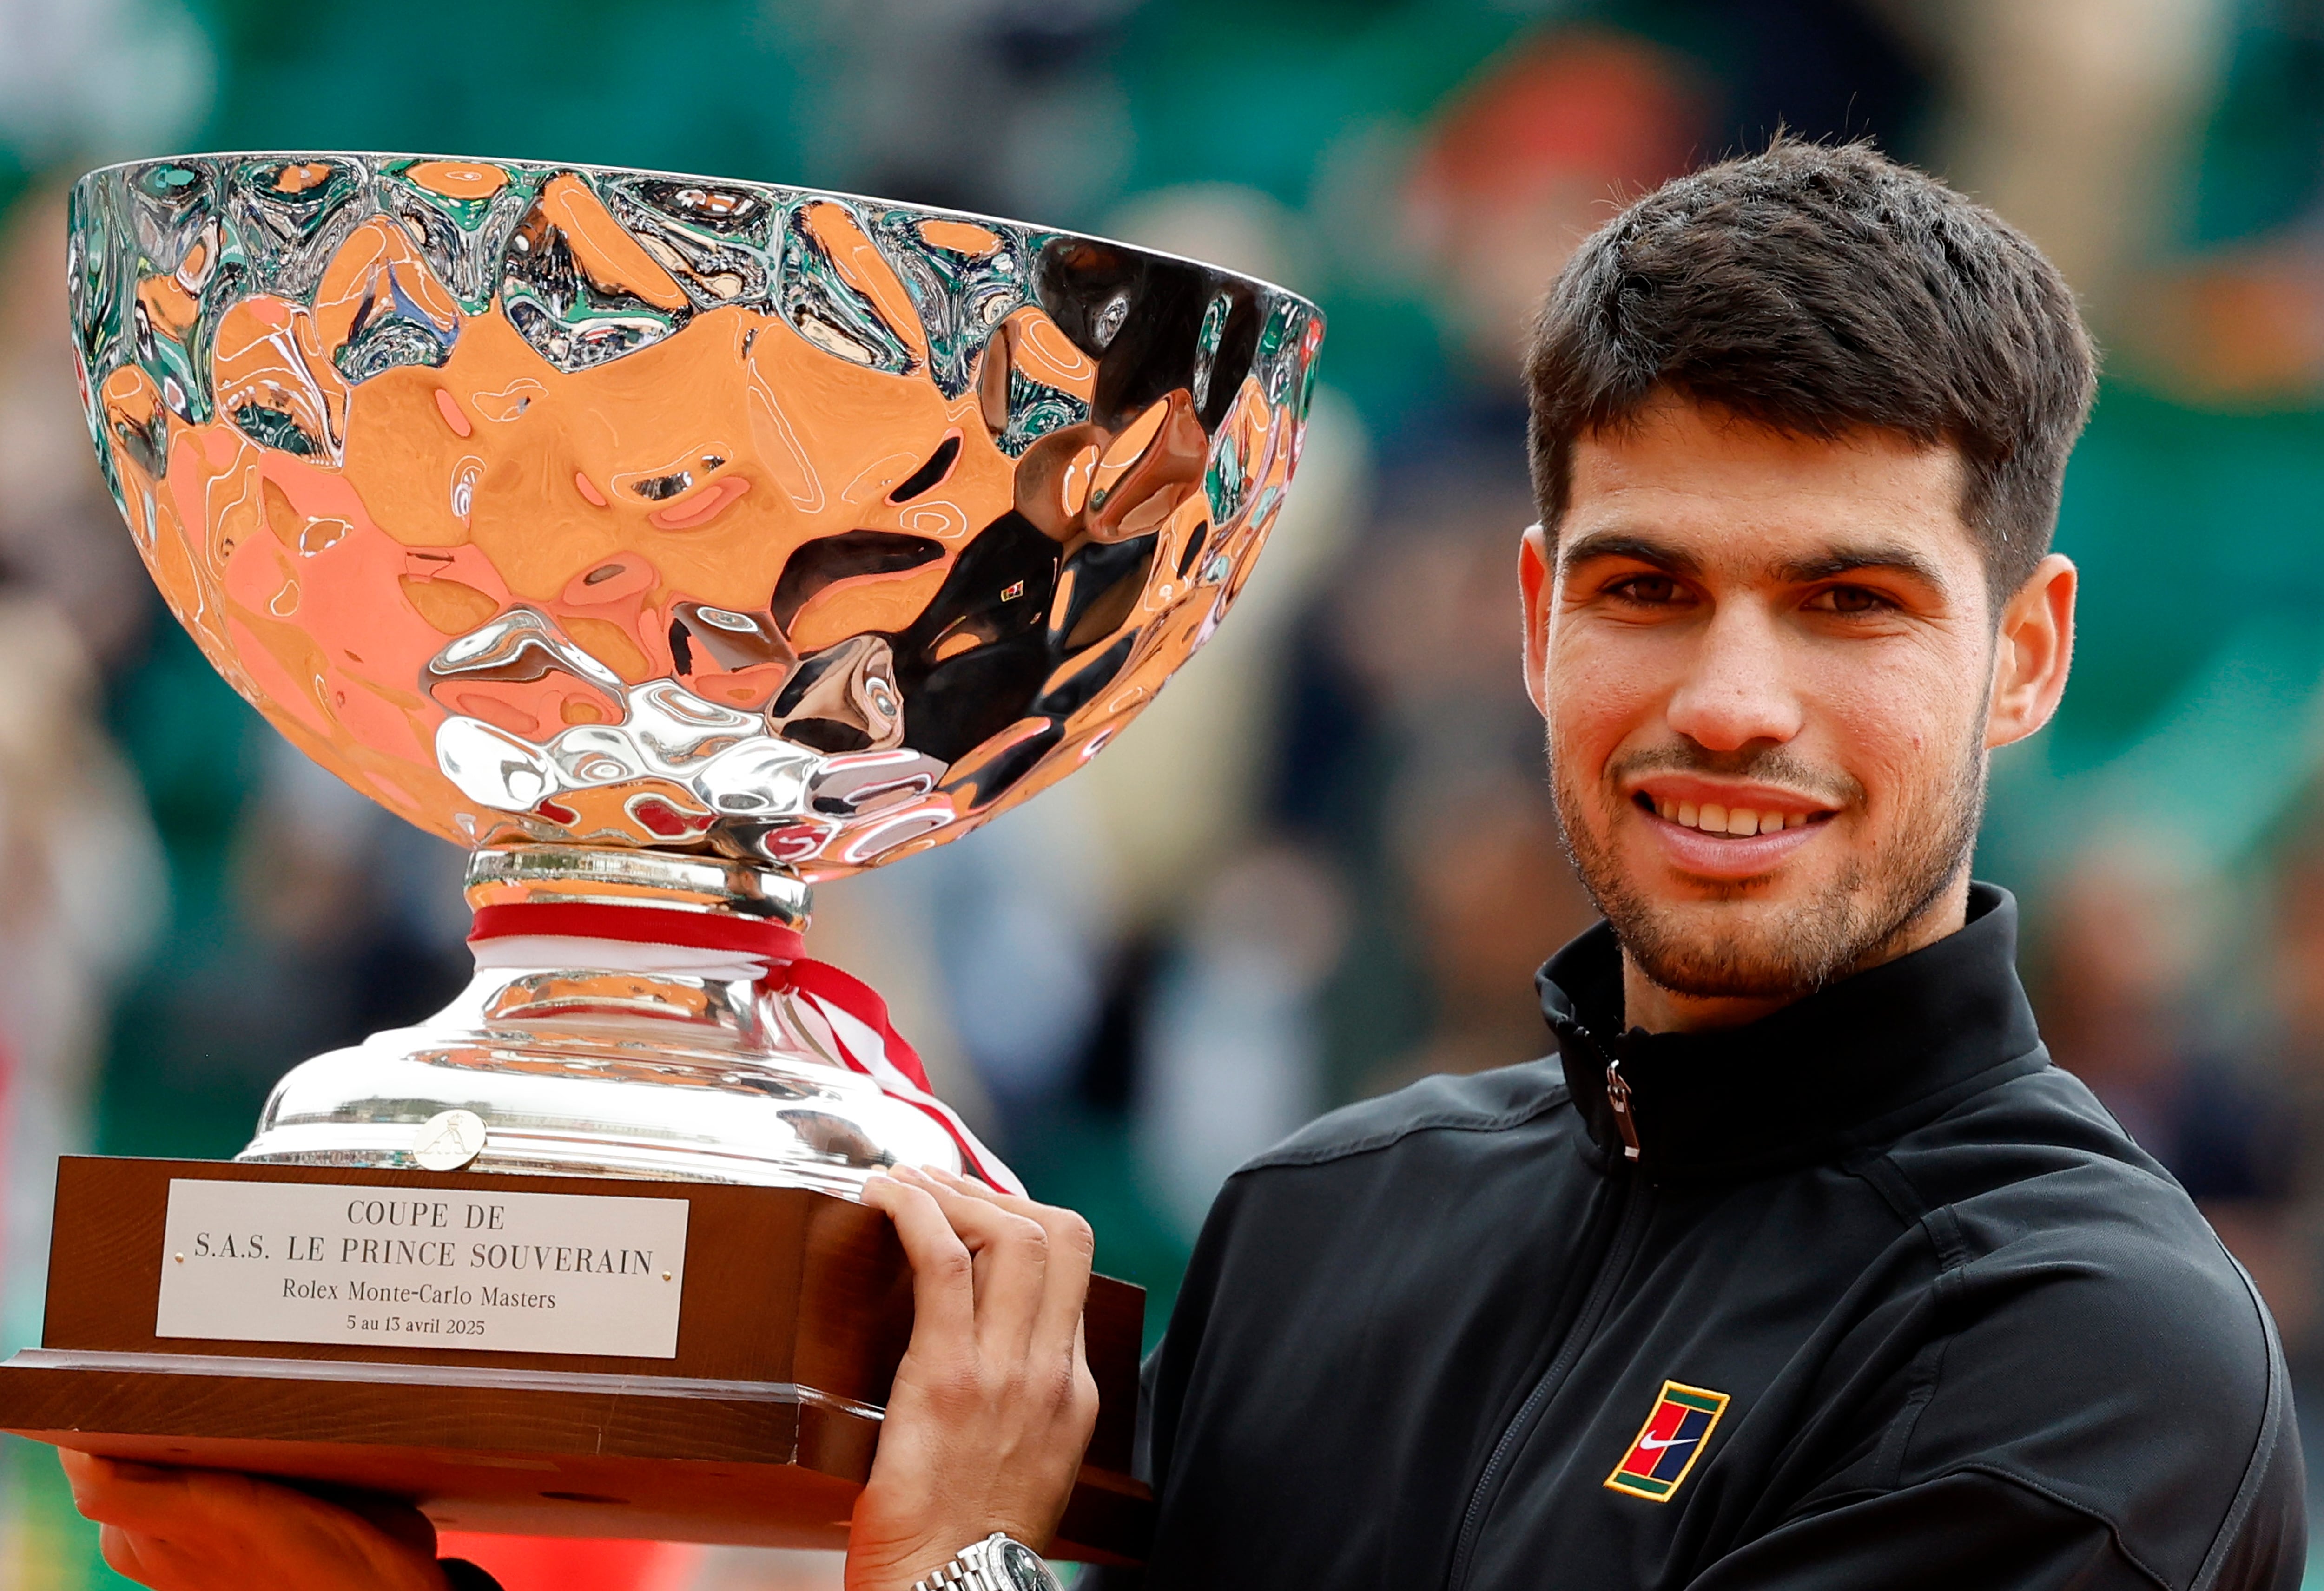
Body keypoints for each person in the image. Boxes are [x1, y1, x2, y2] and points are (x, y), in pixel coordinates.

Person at [59, 138, 2305, 1591]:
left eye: (1845, 602)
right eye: (1644, 589)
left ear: (2021, 654)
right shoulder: (1317, 1228)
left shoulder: (2083, 1356)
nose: (1728, 696)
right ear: (1531, 623)